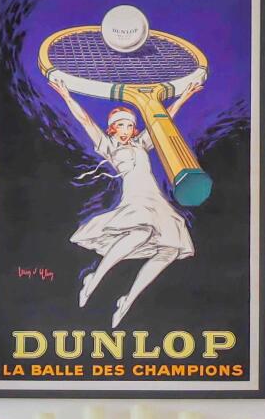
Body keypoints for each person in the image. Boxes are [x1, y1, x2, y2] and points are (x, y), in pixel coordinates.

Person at [51, 65, 203, 328]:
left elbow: (163, 118)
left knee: (169, 251)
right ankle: (94, 279)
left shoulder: (142, 143)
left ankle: (128, 300)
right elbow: (85, 121)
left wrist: (185, 96)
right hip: (135, 200)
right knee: (141, 233)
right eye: (120, 124)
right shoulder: (108, 146)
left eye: (130, 124)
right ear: (112, 128)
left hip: (156, 201)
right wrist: (66, 95)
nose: (126, 128)